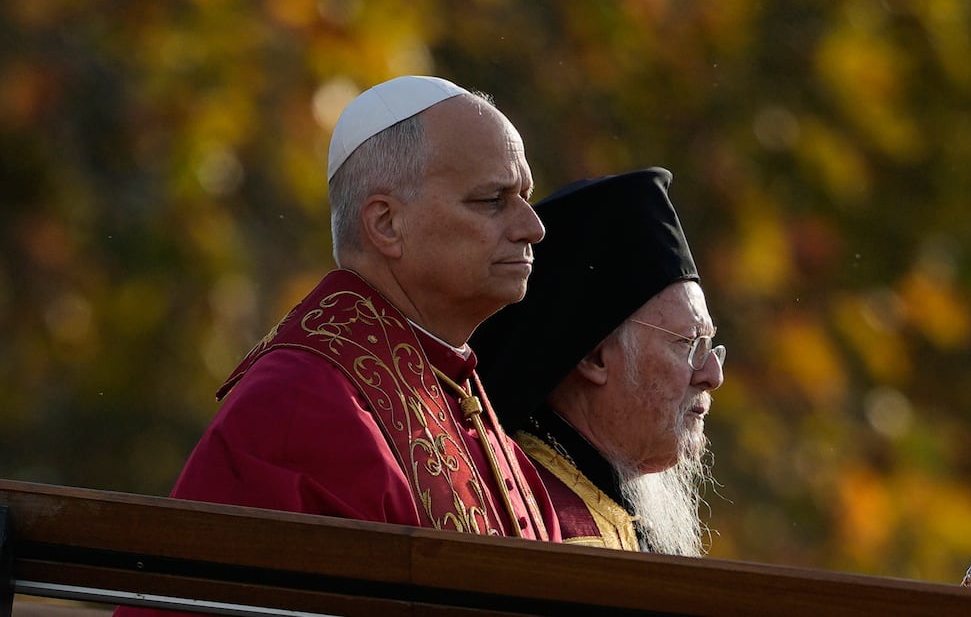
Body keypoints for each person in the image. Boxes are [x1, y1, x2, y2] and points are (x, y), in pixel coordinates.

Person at [126, 75, 559, 570]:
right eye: (492, 200)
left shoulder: (456, 387)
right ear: (386, 225)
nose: (533, 226)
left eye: (525, 196)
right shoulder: (295, 402)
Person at [471, 167, 725, 557]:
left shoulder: (600, 502)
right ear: (594, 357)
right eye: (688, 344)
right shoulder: (544, 524)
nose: (712, 375)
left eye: (710, 345)